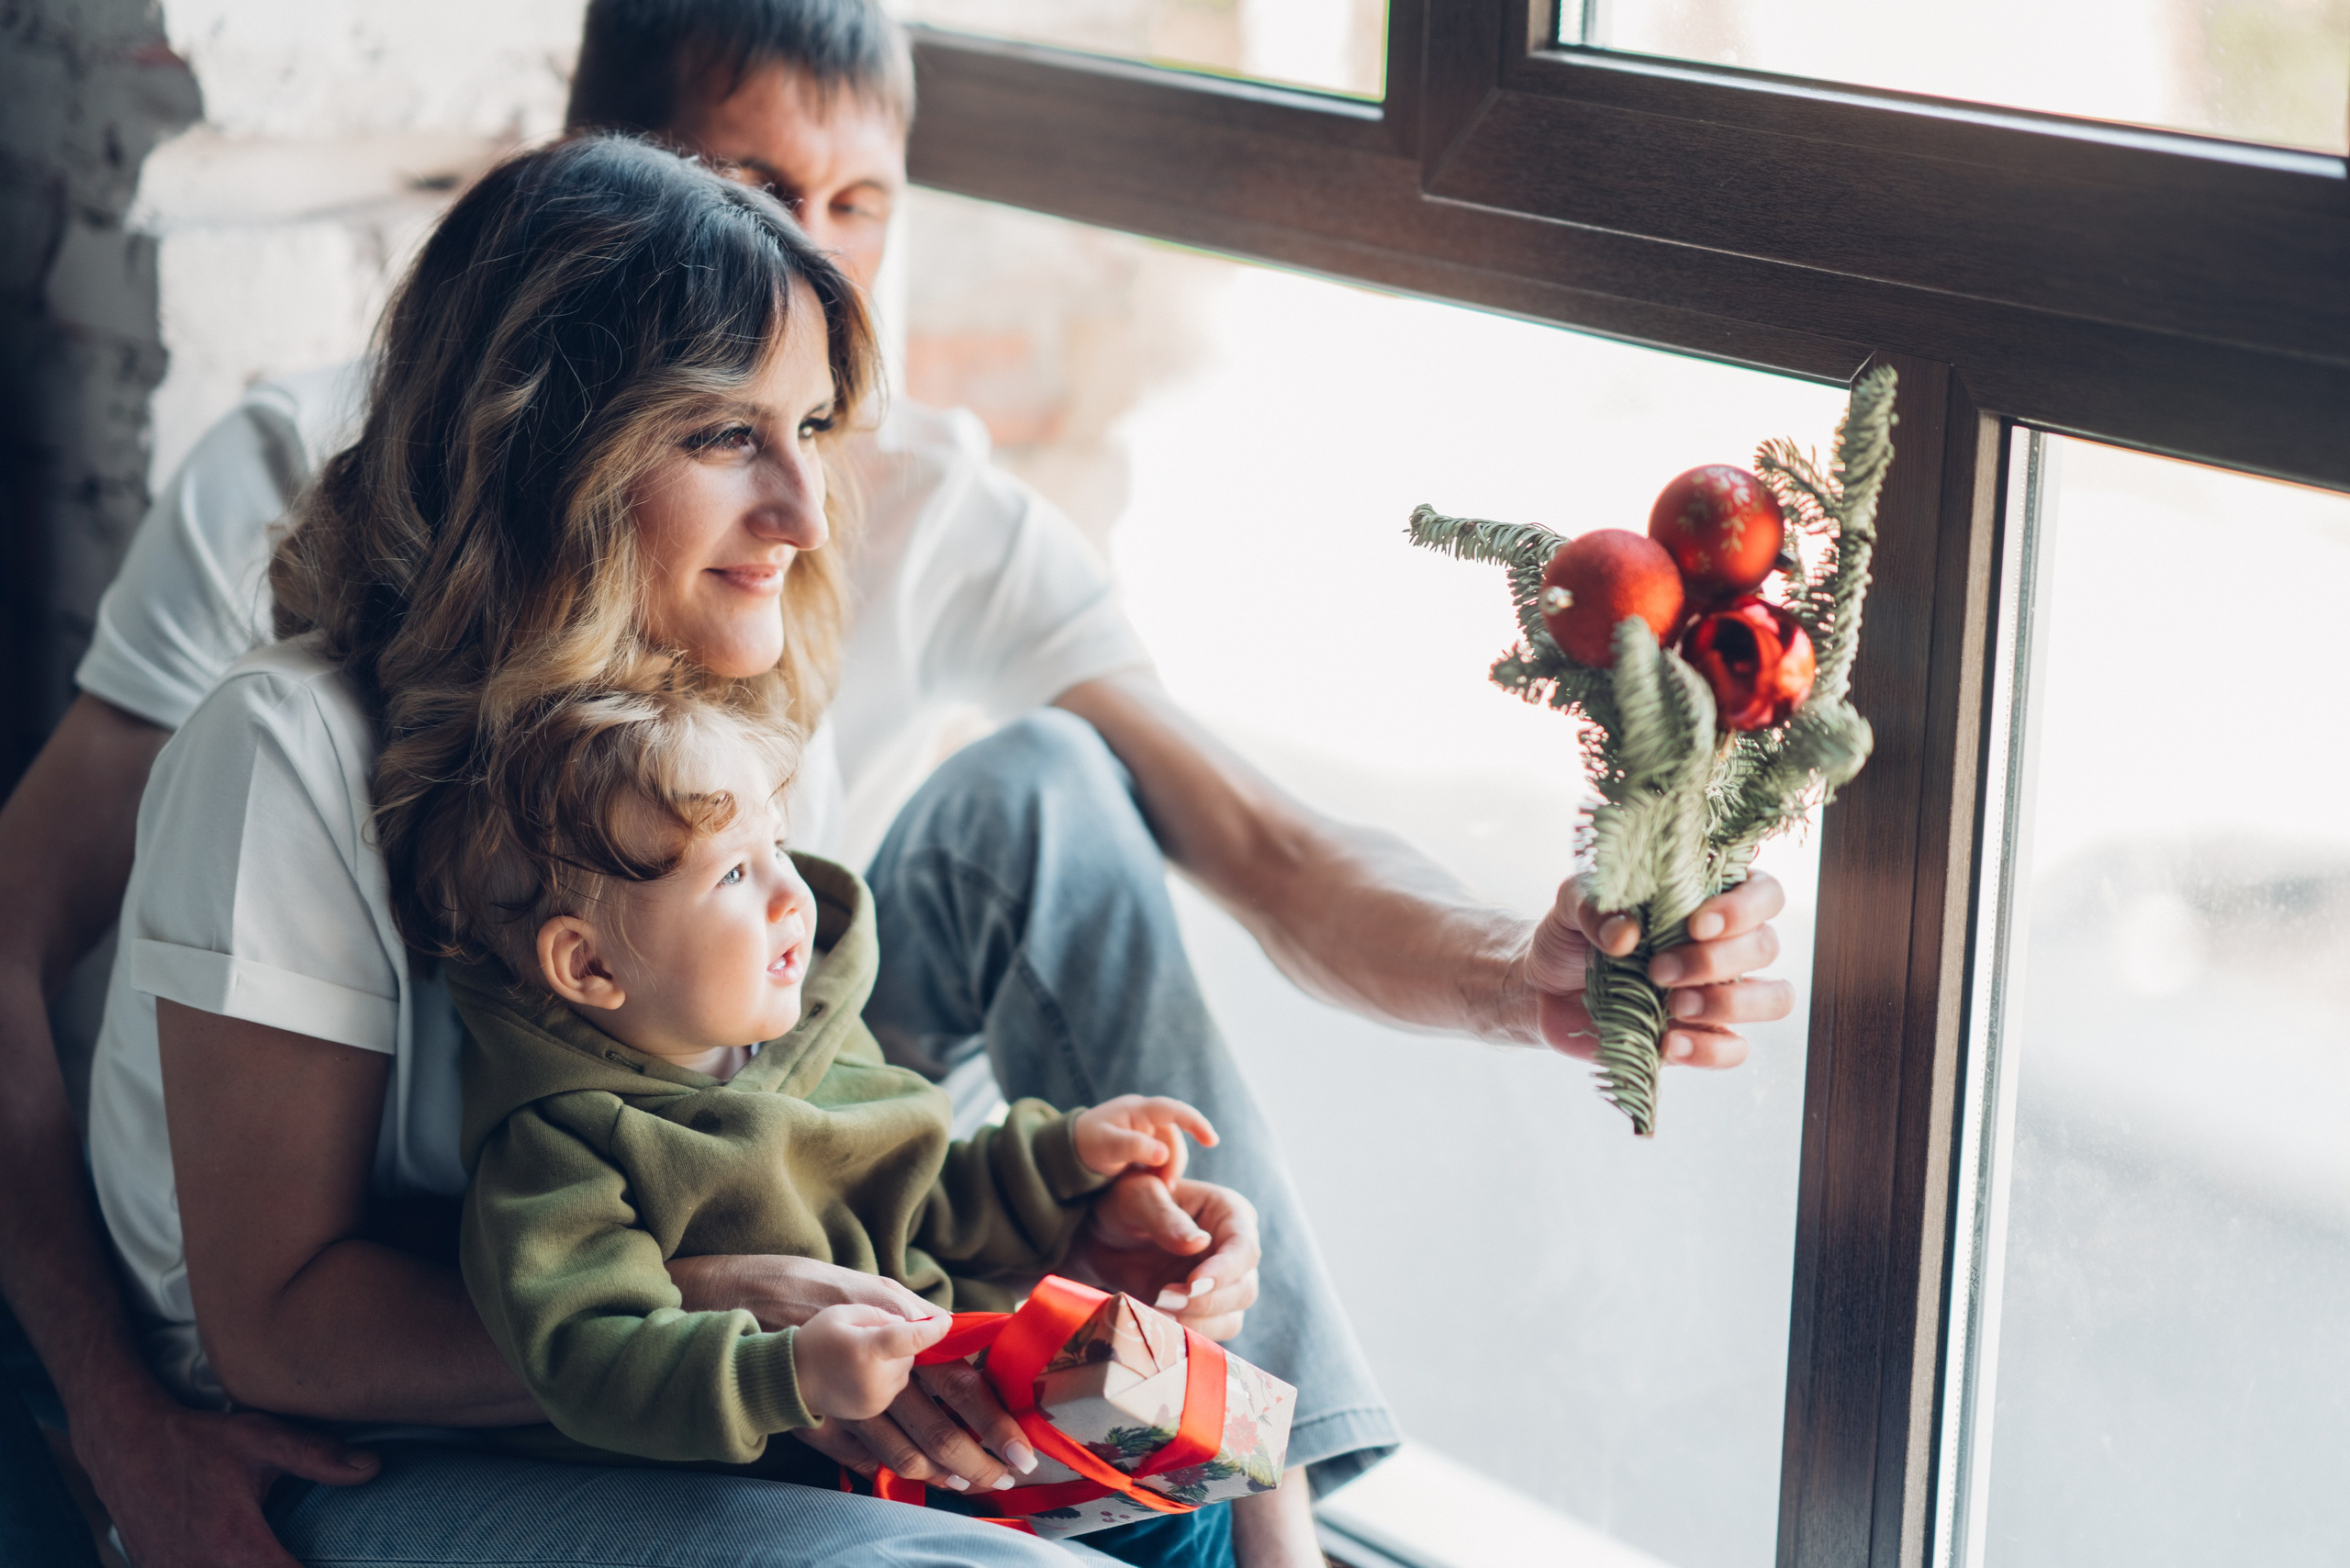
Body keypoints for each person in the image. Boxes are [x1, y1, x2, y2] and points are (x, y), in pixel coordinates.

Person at [0, 4, 1791, 1564]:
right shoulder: (292, 731)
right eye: (726, 428)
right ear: (564, 410)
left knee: (1044, 783)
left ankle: (1263, 1481)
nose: (803, 500)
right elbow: (281, 1312)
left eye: (850, 216)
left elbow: (1225, 851)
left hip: (659, 1248)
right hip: (387, 1417)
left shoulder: (716, 648)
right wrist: (740, 1326)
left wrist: (1040, 1207)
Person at [429, 687, 1249, 1562]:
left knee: (1187, 1501)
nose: (790, 894)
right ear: (588, 963)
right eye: (733, 875)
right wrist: (787, 1373)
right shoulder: (558, 1146)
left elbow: (927, 1194)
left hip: (960, 1423)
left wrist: (1062, 1159)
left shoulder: (808, 1032)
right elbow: (589, 1357)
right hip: (793, 1484)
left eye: (775, 846)